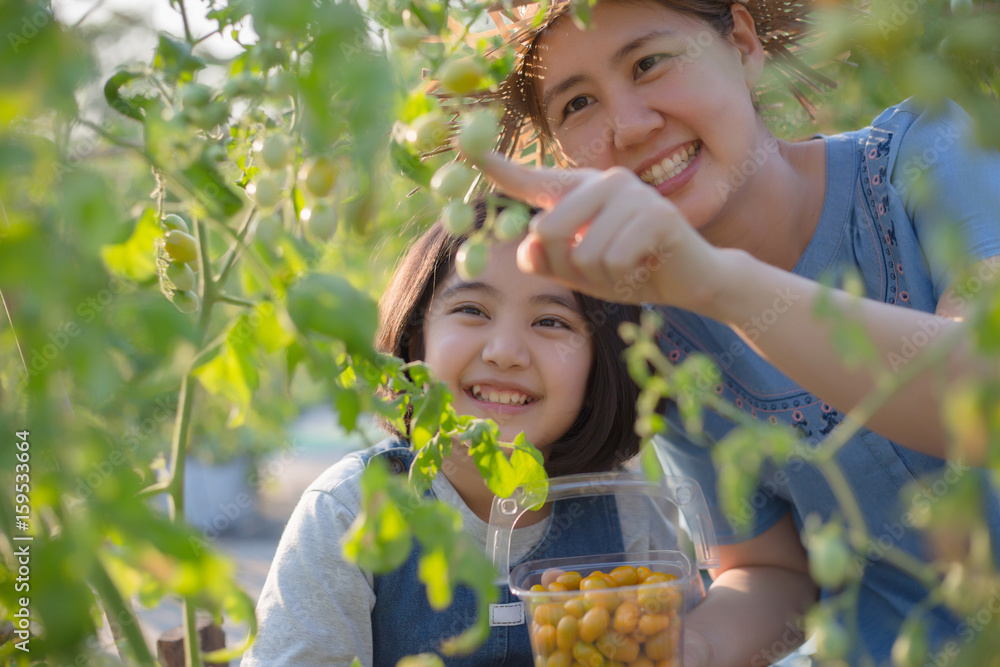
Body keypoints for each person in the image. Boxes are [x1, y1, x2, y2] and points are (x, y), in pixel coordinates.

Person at [466, 0, 1000, 665]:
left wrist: (718, 283)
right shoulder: (658, 333)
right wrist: (682, 649)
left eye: (649, 63)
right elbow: (770, 571)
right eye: (577, 105)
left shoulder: (930, 152)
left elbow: (984, 394)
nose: (628, 127)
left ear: (743, 44)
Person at [242, 200, 656, 666]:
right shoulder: (345, 512)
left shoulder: (629, 512)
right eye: (472, 310)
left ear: (601, 363)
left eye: (551, 321)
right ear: (416, 339)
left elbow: (677, 644)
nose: (505, 352)